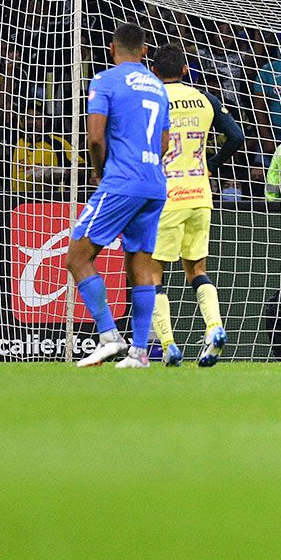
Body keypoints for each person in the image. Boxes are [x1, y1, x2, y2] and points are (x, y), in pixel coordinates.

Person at [65, 23, 171, 369]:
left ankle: (110, 336)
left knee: (77, 257)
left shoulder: (105, 80)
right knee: (140, 263)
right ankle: (139, 353)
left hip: (121, 180)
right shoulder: (157, 86)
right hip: (154, 184)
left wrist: (99, 170)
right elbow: (165, 143)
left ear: (113, 48)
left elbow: (95, 137)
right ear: (144, 51)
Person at [148, 43, 246, 367]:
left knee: (153, 273)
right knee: (197, 270)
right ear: (186, 70)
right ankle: (214, 327)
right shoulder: (205, 99)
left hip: (167, 195)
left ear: (154, 71)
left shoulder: (155, 99)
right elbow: (236, 136)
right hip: (201, 195)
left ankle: (168, 344)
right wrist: (211, 165)